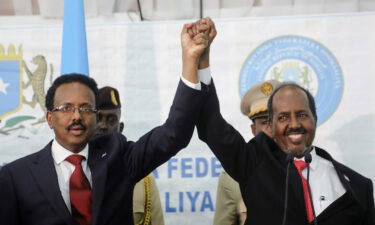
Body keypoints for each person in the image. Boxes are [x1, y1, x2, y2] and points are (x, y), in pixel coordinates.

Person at [0, 20, 211, 225]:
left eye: (86, 108)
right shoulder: (16, 177)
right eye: (66, 108)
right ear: (49, 118)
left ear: (94, 116)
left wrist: (190, 60)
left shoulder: (119, 158)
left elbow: (175, 133)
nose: (76, 116)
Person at [193, 19, 375, 225]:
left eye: (302, 114)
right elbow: (212, 125)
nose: (294, 124)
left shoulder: (359, 187)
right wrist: (201, 61)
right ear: (270, 125)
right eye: (283, 117)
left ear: (315, 119)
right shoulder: (254, 165)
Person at [213, 80, 281, 225]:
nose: (271, 128)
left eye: (276, 120)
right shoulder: (232, 177)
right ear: (253, 130)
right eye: (264, 123)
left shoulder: (306, 168)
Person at [95, 86, 164, 225]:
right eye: (98, 118)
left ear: (120, 128)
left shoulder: (143, 178)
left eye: (111, 120)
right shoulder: (74, 171)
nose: (103, 126)